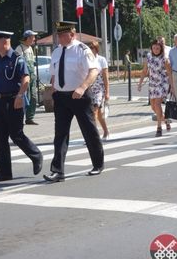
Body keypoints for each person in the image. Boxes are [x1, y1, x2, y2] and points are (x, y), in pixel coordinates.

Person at [44, 21, 104, 183]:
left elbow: (93, 71)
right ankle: (57, 171)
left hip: (79, 96)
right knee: (60, 134)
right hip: (62, 97)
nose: (61, 38)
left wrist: (82, 87)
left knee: (89, 130)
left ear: (72, 34)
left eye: (64, 35)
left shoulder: (82, 50)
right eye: (59, 35)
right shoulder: (56, 51)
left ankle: (98, 164)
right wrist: (54, 86)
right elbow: (54, 72)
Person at [0, 29, 43, 183]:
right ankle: (4, 172)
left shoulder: (17, 58)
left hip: (14, 100)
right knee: (0, 138)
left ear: (5, 42)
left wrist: (20, 95)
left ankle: (36, 155)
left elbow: (26, 79)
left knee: (16, 134)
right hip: (0, 101)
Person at [137, 40, 173, 137]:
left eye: (157, 48)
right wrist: (140, 83)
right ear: (151, 48)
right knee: (153, 107)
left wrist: (172, 87)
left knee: (157, 104)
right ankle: (165, 120)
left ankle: (159, 128)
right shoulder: (148, 57)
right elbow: (144, 71)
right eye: (154, 48)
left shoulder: (165, 59)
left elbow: (169, 73)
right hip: (152, 83)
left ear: (161, 48)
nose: (155, 50)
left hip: (162, 83)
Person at [15, 29, 39, 125]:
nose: (34, 39)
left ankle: (30, 118)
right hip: (24, 77)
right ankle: (20, 117)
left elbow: (32, 62)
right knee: (25, 97)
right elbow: (18, 64)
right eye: (33, 37)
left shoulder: (30, 48)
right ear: (28, 38)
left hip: (32, 76)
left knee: (33, 97)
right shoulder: (19, 48)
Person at [88, 40, 110, 140]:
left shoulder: (101, 60)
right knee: (99, 114)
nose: (90, 49)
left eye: (92, 47)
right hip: (89, 88)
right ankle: (106, 131)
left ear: (96, 49)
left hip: (99, 89)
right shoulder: (86, 59)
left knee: (94, 111)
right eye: (89, 47)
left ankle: (93, 135)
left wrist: (107, 92)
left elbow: (106, 77)